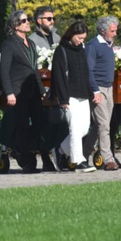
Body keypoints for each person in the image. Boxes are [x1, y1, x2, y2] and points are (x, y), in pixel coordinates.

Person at [0, 10, 46, 174]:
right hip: (18, 92)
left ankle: (19, 149)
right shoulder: (9, 44)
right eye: (24, 20)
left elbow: (34, 69)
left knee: (40, 123)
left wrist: (41, 90)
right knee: (23, 126)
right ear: (15, 25)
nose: (28, 23)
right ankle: (26, 161)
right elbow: (3, 71)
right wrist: (9, 92)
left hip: (32, 91)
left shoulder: (31, 44)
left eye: (28, 20)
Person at [50, 21, 97, 173]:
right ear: (71, 34)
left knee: (83, 129)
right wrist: (63, 99)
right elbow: (58, 76)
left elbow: (85, 73)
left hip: (83, 95)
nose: (81, 41)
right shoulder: (61, 50)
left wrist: (90, 93)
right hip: (69, 96)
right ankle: (78, 161)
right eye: (79, 37)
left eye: (83, 38)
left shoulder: (81, 50)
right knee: (75, 129)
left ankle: (60, 150)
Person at [29, 5, 63, 172]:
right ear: (39, 21)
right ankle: (44, 157)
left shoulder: (58, 38)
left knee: (58, 121)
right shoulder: (32, 40)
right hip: (40, 89)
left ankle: (61, 155)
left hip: (57, 88)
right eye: (49, 18)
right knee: (42, 124)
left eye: (53, 18)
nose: (52, 21)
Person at [83, 16, 120, 171]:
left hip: (109, 88)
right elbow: (88, 70)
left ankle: (82, 155)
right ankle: (108, 159)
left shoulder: (108, 45)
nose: (115, 33)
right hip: (98, 89)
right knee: (104, 124)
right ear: (103, 31)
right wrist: (95, 91)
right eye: (112, 31)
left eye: (116, 30)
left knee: (100, 126)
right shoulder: (93, 45)